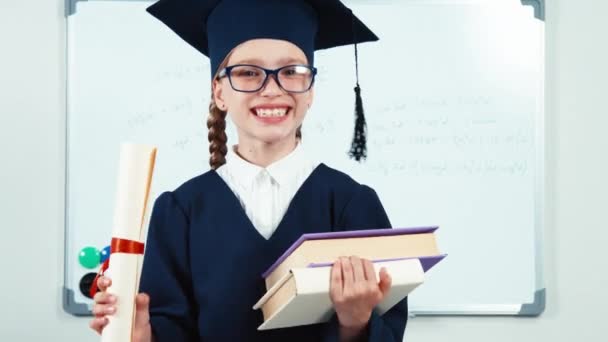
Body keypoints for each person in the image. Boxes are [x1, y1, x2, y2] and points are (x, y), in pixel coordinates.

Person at [89, 0, 408, 340]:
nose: (272, 89)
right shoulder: (180, 210)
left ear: (311, 90)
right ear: (219, 91)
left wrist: (355, 322)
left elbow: (386, 329)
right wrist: (143, 337)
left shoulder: (352, 204)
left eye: (292, 72)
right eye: (248, 73)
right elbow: (169, 330)